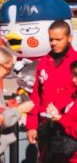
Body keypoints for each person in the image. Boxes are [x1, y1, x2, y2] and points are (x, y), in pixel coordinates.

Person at [26, 20, 77, 160]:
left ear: (69, 38)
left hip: (68, 130)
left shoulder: (75, 62)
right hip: (45, 128)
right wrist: (31, 125)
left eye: (58, 39)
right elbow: (35, 94)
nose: (54, 43)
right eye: (51, 39)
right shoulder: (43, 62)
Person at [46, 60, 77, 163]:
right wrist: (57, 114)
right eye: (73, 75)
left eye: (76, 75)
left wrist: (61, 119)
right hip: (67, 155)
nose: (73, 79)